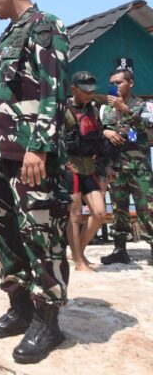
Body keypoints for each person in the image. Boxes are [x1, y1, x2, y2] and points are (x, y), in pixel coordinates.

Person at [0, 0, 70, 364]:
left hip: (30, 154)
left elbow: (54, 90)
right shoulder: (6, 36)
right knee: (4, 233)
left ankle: (48, 322)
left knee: (41, 234)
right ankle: (20, 308)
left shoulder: (45, 26)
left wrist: (39, 146)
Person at [99, 66, 153, 264]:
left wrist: (125, 109)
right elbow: (96, 134)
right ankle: (120, 249)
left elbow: (149, 130)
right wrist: (105, 132)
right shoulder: (105, 109)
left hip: (139, 167)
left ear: (130, 83)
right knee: (118, 210)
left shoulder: (144, 106)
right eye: (112, 83)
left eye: (119, 82)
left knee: (147, 209)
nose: (115, 86)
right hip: (115, 167)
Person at [63, 71, 108, 271]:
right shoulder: (62, 108)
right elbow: (53, 138)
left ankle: (78, 252)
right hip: (70, 166)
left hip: (89, 166)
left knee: (99, 213)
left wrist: (104, 167)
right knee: (74, 216)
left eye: (92, 91)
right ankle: (79, 262)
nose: (90, 94)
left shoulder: (94, 109)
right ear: (73, 89)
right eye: (85, 90)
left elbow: (99, 137)